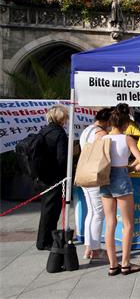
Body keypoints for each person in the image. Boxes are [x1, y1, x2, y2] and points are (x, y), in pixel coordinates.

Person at [100, 104, 140, 276]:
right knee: (127, 224)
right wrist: (130, 168)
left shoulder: (103, 139)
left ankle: (113, 265)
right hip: (121, 177)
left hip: (105, 179)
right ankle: (126, 263)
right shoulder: (127, 139)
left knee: (110, 223)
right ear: (126, 123)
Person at [79, 107, 112, 261]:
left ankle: (88, 248)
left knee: (91, 212)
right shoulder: (101, 134)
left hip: (84, 173)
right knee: (98, 213)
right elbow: (105, 156)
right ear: (107, 121)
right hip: (95, 176)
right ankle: (96, 249)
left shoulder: (87, 131)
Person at [36, 105, 69, 251]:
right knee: (52, 210)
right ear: (61, 118)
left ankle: (43, 239)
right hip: (54, 178)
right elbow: (62, 159)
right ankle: (45, 241)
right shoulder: (59, 134)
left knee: (46, 209)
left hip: (42, 176)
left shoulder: (44, 131)